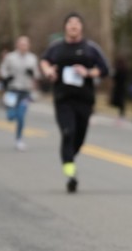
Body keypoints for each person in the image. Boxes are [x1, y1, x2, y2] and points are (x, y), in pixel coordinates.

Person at [40, 12, 110, 193]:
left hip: (84, 100)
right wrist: (48, 71)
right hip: (63, 99)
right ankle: (70, 174)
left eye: (77, 23)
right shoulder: (56, 47)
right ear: (65, 27)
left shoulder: (90, 48)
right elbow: (44, 61)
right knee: (67, 132)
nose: (73, 26)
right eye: (70, 23)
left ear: (81, 27)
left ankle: (69, 157)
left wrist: (88, 72)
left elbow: (104, 69)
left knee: (78, 138)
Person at [0, 35, 41, 151]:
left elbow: (37, 74)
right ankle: (12, 113)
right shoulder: (10, 57)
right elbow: (2, 69)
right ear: (17, 45)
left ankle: (19, 139)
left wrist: (32, 73)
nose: (23, 46)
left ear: (28, 46)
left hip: (25, 91)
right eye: (21, 44)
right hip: (12, 90)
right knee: (11, 116)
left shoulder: (32, 58)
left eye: (25, 44)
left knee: (21, 116)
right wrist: (7, 77)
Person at [109, 55, 130, 121]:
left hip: (118, 86)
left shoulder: (117, 69)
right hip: (123, 87)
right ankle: (121, 113)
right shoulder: (125, 69)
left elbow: (114, 77)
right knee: (121, 101)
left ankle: (119, 114)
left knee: (118, 100)